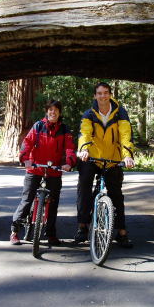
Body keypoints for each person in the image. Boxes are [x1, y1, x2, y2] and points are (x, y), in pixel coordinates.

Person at [75, 82, 135, 248]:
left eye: (106, 93)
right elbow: (84, 134)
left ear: (110, 94)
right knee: (84, 187)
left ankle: (121, 232)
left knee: (116, 194)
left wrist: (127, 156)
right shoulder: (89, 114)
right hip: (92, 158)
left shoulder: (120, 113)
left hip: (112, 159)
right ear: (95, 96)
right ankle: (82, 226)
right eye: (99, 93)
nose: (103, 96)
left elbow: (125, 136)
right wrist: (84, 150)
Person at [10, 100, 76, 246]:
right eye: (50, 110)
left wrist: (69, 163)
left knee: (52, 204)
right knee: (27, 200)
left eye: (56, 110)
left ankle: (51, 234)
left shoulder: (64, 129)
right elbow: (27, 142)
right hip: (35, 168)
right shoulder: (38, 126)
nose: (53, 112)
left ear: (60, 112)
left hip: (54, 171)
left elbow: (70, 148)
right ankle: (15, 232)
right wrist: (25, 158)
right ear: (47, 112)